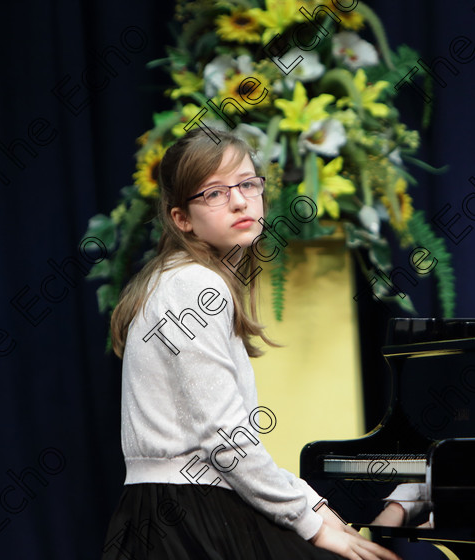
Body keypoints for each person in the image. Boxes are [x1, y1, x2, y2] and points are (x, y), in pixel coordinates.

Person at [101, 128, 401, 560]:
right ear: (181, 218)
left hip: (180, 505)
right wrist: (313, 524)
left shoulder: (181, 277)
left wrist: (311, 502)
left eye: (247, 184)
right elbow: (226, 441)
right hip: (187, 516)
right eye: (214, 193)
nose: (240, 201)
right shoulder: (193, 285)